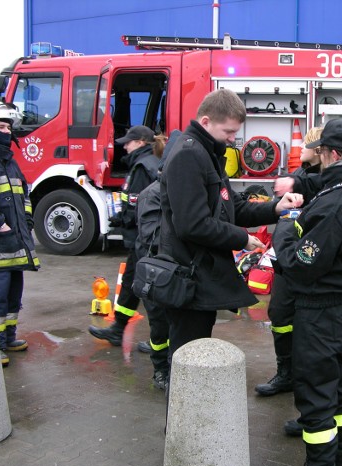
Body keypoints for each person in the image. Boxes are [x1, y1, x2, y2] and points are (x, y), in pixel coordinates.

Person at [158, 89, 302, 366]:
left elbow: (231, 207)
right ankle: (185, 409)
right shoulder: (189, 156)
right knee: (188, 360)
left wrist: (275, 207)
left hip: (200, 276)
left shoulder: (208, 152)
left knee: (197, 354)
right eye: (228, 131)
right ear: (206, 121)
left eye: (235, 132)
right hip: (187, 277)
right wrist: (242, 239)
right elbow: (192, 225)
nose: (233, 139)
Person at [274, 118, 342, 466]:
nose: (316, 158)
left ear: (332, 153)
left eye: (319, 152)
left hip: (323, 313)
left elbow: (299, 263)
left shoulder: (338, 202)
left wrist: (287, 225)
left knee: (317, 400)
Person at [255, 127, 323, 397]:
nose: (300, 149)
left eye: (305, 144)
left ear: (319, 150)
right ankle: (286, 373)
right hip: (286, 261)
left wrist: (296, 186)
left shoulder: (330, 181)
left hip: (311, 263)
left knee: (311, 325)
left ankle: (307, 379)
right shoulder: (298, 176)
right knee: (280, 315)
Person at [0, 102, 40, 367]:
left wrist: (27, 219)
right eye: (0, 127)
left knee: (13, 298)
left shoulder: (11, 163)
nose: (5, 132)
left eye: (8, 127)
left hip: (13, 244)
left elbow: (23, 195)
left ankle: (8, 338)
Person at [88, 126, 164, 348]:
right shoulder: (150, 162)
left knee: (149, 290)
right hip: (143, 239)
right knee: (131, 283)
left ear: (140, 142)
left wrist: (123, 219)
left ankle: (160, 340)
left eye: (128, 142)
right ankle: (118, 329)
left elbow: (138, 205)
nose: (124, 146)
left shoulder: (142, 166)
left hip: (144, 240)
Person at [132, 130, 181, 390]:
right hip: (157, 276)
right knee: (159, 326)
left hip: (176, 273)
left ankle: (172, 366)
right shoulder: (152, 194)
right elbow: (152, 237)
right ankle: (160, 369)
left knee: (175, 325)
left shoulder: (180, 189)